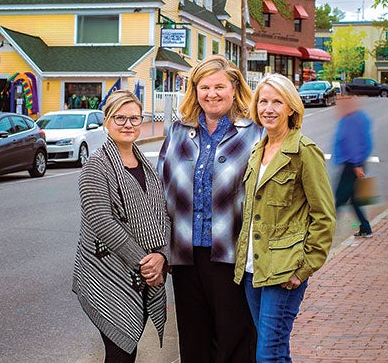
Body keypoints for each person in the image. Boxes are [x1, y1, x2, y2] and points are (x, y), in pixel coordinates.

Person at [157, 54, 264, 362]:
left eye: (219, 86)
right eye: (204, 87)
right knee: (193, 339)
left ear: (234, 89)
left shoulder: (254, 133)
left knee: (235, 339)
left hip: (232, 254)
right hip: (185, 254)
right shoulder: (179, 131)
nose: (212, 94)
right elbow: (162, 189)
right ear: (195, 91)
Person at [233, 73, 336, 362]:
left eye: (277, 102)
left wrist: (303, 268)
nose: (269, 108)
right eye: (263, 101)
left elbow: (324, 216)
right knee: (275, 350)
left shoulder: (304, 152)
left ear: (291, 107)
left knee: (268, 354)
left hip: (285, 271)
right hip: (254, 268)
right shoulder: (257, 150)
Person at [73, 90, 171, 362]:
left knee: (129, 349)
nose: (128, 124)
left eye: (134, 118)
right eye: (120, 118)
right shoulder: (96, 166)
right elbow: (102, 222)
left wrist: (162, 256)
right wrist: (147, 263)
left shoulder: (147, 166)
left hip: (141, 276)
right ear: (106, 121)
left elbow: (163, 214)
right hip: (107, 274)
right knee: (120, 350)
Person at [333, 96, 374, 237]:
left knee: (339, 198)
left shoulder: (351, 120)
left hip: (352, 165)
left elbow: (353, 143)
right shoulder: (359, 117)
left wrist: (356, 165)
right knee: (355, 200)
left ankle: (326, 229)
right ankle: (365, 228)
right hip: (355, 163)